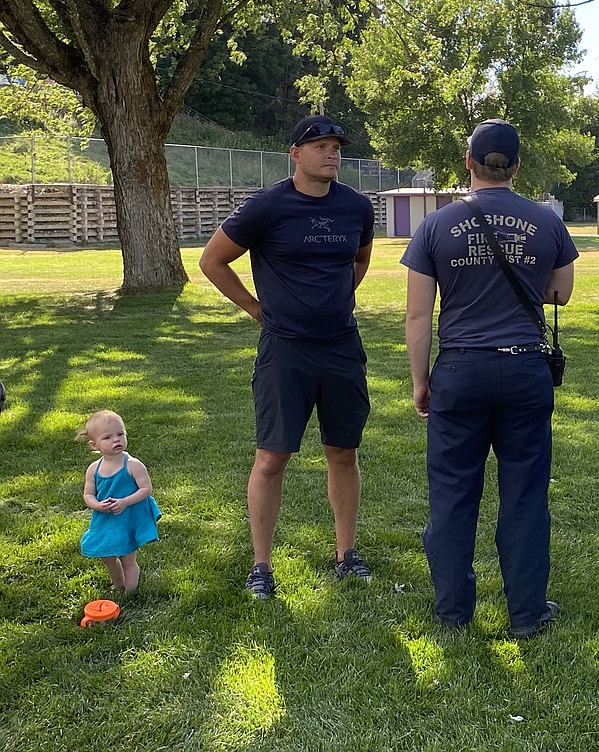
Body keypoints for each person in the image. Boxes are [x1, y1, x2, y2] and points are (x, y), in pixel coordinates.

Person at [402, 119, 577, 638]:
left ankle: (454, 612)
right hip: (525, 368)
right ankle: (527, 613)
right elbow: (560, 292)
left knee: (453, 494)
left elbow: (417, 315)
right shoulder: (545, 222)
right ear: (516, 166)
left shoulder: (435, 225)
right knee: (525, 494)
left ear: (468, 162)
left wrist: (420, 380)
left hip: (460, 368)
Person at [199, 115, 375, 600]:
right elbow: (211, 261)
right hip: (285, 350)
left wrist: (335, 301)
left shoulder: (357, 207)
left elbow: (359, 260)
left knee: (343, 451)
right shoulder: (266, 207)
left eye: (336, 146)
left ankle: (346, 554)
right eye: (320, 145)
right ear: (295, 153)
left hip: (341, 346)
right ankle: (261, 565)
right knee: (272, 457)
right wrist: (258, 310)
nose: (332, 153)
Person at [79, 410, 162, 593]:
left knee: (127, 558)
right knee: (107, 556)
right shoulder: (94, 469)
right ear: (95, 445)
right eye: (108, 437)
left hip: (128, 517)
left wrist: (125, 501)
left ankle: (130, 593)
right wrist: (97, 505)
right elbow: (88, 495)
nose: (116, 440)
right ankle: (118, 586)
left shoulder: (133, 465)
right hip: (106, 518)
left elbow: (146, 489)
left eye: (120, 434)